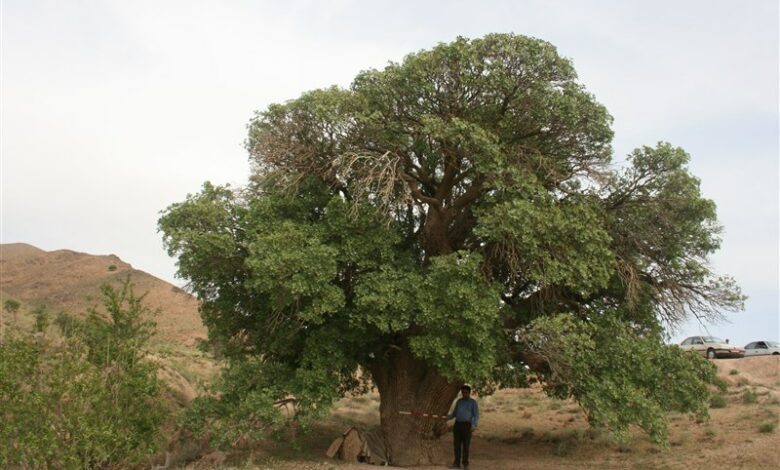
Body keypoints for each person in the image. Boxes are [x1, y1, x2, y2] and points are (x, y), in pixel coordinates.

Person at [446, 384, 479, 469]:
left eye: (466, 392)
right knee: (456, 445)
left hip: (467, 426)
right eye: (462, 392)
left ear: (469, 393)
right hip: (457, 425)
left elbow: (476, 415)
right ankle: (456, 463)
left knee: (466, 445)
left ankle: (465, 464)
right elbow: (454, 414)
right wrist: (447, 417)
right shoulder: (459, 402)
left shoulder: (473, 403)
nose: (464, 394)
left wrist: (473, 425)